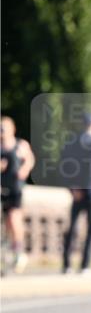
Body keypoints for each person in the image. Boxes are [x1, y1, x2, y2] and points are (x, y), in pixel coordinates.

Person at [61, 112, 91, 274]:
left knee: (72, 227)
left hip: (77, 190)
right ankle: (85, 265)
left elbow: (65, 167)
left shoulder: (72, 143)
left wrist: (73, 187)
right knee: (90, 229)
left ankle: (66, 265)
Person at [1, 115, 35, 273]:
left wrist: (24, 169)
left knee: (14, 218)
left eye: (4, 128)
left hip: (15, 188)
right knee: (6, 223)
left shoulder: (20, 145)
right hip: (2, 188)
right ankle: (6, 252)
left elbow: (30, 159)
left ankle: (19, 251)